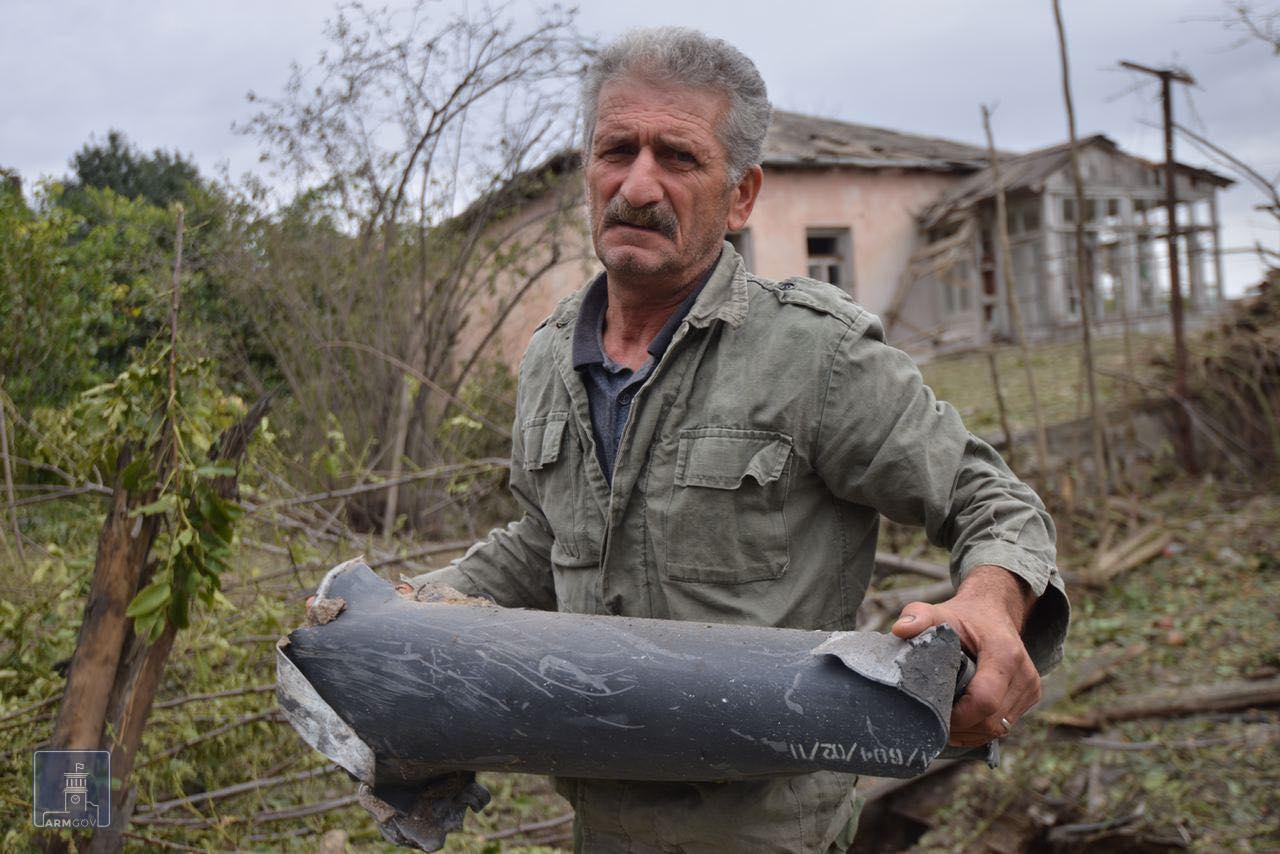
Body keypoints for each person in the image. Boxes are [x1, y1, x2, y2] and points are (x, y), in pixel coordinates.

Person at [393, 27, 1068, 853]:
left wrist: (989, 604)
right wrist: (404, 610)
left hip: (769, 830)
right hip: (600, 822)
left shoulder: (813, 354)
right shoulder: (547, 357)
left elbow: (985, 497)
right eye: (616, 150)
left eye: (677, 157)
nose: (637, 186)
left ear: (742, 196)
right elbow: (546, 542)